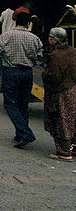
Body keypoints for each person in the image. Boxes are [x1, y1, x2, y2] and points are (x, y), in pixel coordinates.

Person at [0, 10, 43, 149]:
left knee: (10, 104)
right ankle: (20, 134)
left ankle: (25, 133)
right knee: (23, 103)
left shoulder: (8, 35)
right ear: (28, 23)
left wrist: (3, 54)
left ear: (15, 21)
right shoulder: (34, 38)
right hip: (27, 72)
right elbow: (39, 55)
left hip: (12, 71)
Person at [42, 28, 76, 161]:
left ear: (54, 39)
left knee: (61, 120)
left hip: (60, 92)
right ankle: (72, 148)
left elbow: (53, 76)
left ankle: (64, 152)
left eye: (50, 37)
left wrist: (44, 75)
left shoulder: (55, 55)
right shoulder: (73, 51)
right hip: (72, 89)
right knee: (72, 119)